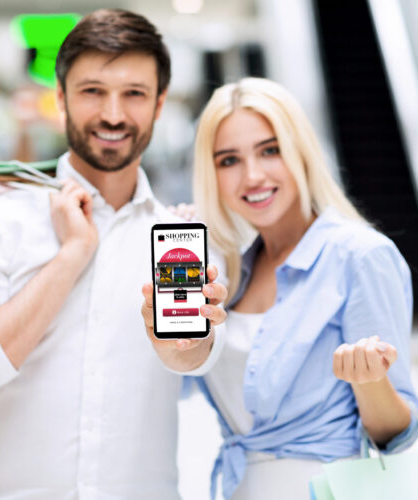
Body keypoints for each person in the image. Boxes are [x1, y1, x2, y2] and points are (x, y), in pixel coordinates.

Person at [0, 9, 227, 500]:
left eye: (134, 93)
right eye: (93, 91)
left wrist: (180, 345)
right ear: (61, 98)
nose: (113, 114)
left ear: (158, 105)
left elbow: (196, 362)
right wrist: (71, 256)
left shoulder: (179, 234)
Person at [142, 77, 418, 499]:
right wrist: (199, 262)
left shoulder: (359, 256)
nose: (253, 176)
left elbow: (397, 433)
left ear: (300, 150)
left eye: (270, 150)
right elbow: (184, 380)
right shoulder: (232, 274)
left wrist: (368, 380)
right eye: (229, 160)